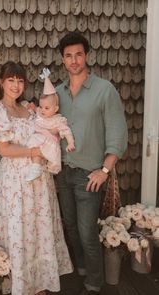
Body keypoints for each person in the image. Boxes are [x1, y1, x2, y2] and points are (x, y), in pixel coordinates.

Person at [0, 61, 73, 295]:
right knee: (19, 229)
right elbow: (4, 150)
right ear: (1, 82)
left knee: (37, 230)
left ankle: (38, 282)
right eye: (11, 80)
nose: (16, 85)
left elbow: (47, 128)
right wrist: (35, 152)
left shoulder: (28, 108)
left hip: (39, 180)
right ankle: (20, 284)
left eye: (20, 80)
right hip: (15, 181)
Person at [55, 32, 128, 295]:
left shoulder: (104, 90)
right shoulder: (57, 93)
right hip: (62, 173)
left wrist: (105, 170)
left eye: (78, 54)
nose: (74, 60)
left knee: (87, 233)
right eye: (68, 55)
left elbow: (117, 133)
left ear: (86, 56)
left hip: (89, 174)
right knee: (71, 227)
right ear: (63, 60)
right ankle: (82, 269)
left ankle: (94, 283)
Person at [26, 68, 75, 181]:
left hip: (49, 143)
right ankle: (36, 168)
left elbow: (66, 131)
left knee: (43, 153)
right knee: (35, 150)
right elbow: (36, 110)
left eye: (47, 108)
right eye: (41, 106)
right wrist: (34, 108)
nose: (43, 110)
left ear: (56, 108)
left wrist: (70, 142)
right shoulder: (40, 113)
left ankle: (38, 168)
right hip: (38, 140)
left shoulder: (58, 120)